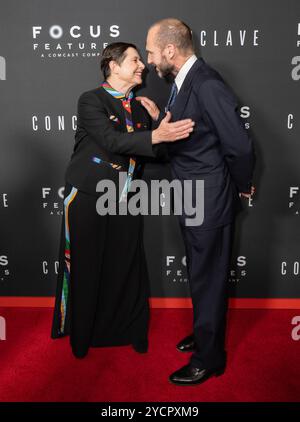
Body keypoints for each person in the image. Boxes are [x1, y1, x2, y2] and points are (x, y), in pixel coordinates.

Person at [51, 42, 194, 359]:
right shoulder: (91, 100)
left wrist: (157, 126)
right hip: (89, 195)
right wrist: (156, 135)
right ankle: (82, 337)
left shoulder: (143, 107)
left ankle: (132, 330)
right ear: (113, 66)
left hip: (128, 197)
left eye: (143, 59)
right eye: (134, 59)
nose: (142, 64)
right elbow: (111, 140)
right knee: (87, 267)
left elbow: (155, 153)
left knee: (128, 266)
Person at [137, 19, 255, 385]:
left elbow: (238, 145)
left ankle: (210, 358)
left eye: (153, 52)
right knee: (200, 275)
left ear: (171, 50)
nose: (151, 61)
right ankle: (206, 335)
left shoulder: (206, 83)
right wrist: (162, 123)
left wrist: (243, 185)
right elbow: (197, 134)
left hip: (209, 198)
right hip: (190, 195)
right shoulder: (184, 81)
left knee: (209, 278)